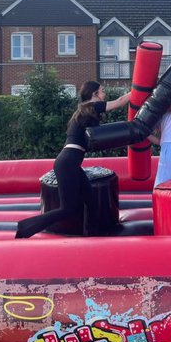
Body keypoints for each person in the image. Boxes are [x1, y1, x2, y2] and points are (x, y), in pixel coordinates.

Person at [14, 81, 129, 238]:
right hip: (68, 162)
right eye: (102, 91)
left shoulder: (85, 111)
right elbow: (120, 102)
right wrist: (139, 91)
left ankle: (92, 236)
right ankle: (24, 227)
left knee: (91, 200)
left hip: (71, 162)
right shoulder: (91, 106)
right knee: (67, 209)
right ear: (94, 94)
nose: (104, 94)